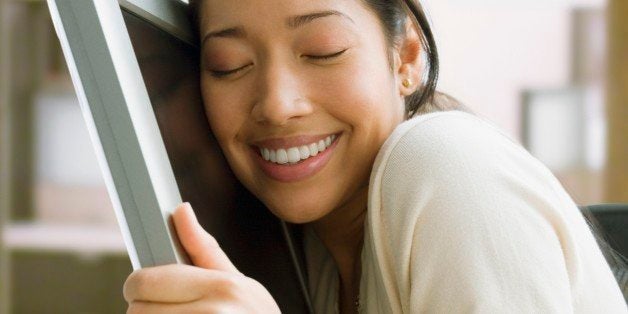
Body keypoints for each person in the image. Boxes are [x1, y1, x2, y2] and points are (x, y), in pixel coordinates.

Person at [123, 0, 628, 313]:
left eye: (322, 51)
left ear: (406, 56)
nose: (277, 104)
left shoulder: (444, 164)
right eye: (228, 65)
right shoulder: (315, 261)